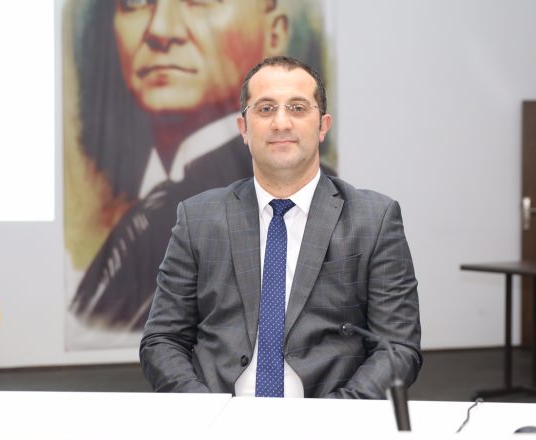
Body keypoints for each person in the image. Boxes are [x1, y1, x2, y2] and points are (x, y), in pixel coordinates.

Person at [139, 56, 422, 398]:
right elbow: (162, 340)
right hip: (218, 414)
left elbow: (397, 348)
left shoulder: (373, 219)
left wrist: (334, 416)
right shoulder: (197, 218)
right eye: (265, 109)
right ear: (244, 128)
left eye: (298, 108)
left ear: (323, 126)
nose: (281, 123)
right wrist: (207, 411)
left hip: (331, 415)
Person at [68, 0, 332, 332]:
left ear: (274, 33)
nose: (161, 31)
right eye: (136, 3)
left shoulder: (328, 211)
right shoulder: (158, 210)